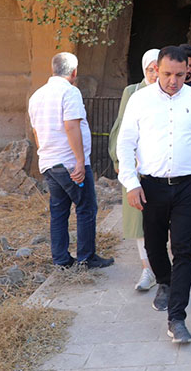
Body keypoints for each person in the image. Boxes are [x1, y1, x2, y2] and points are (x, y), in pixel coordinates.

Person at [116, 46, 191, 344]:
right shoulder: (140, 100)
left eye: (180, 75)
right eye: (168, 74)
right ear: (156, 71)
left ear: (188, 71)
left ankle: (177, 317)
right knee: (154, 246)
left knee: (184, 250)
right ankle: (165, 280)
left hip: (189, 186)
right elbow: (125, 143)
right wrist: (131, 183)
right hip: (153, 187)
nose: (173, 81)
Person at [28, 52, 114, 269]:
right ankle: (86, 258)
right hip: (69, 163)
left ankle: (61, 260)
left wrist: (45, 154)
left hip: (49, 163)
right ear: (74, 72)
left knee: (59, 211)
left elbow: (36, 131)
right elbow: (71, 126)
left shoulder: (37, 95)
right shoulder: (70, 92)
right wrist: (80, 161)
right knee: (86, 208)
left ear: (53, 69)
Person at [108, 48, 159, 291]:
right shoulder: (132, 92)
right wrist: (119, 162)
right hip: (136, 166)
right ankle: (147, 269)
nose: (154, 74)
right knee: (139, 220)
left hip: (161, 167)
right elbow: (121, 127)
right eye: (150, 69)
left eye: (158, 69)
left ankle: (162, 266)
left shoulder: (170, 92)